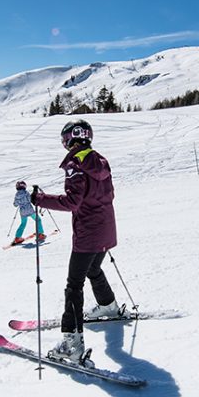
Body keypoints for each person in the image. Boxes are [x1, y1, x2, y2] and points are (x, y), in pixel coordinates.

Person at [32, 119, 122, 364]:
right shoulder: (100, 160)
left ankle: (71, 343)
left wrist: (40, 199)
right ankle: (108, 305)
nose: (64, 144)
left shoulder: (75, 165)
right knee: (94, 268)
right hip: (106, 229)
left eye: (64, 139)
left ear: (70, 139)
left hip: (88, 233)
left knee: (74, 285)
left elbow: (72, 202)